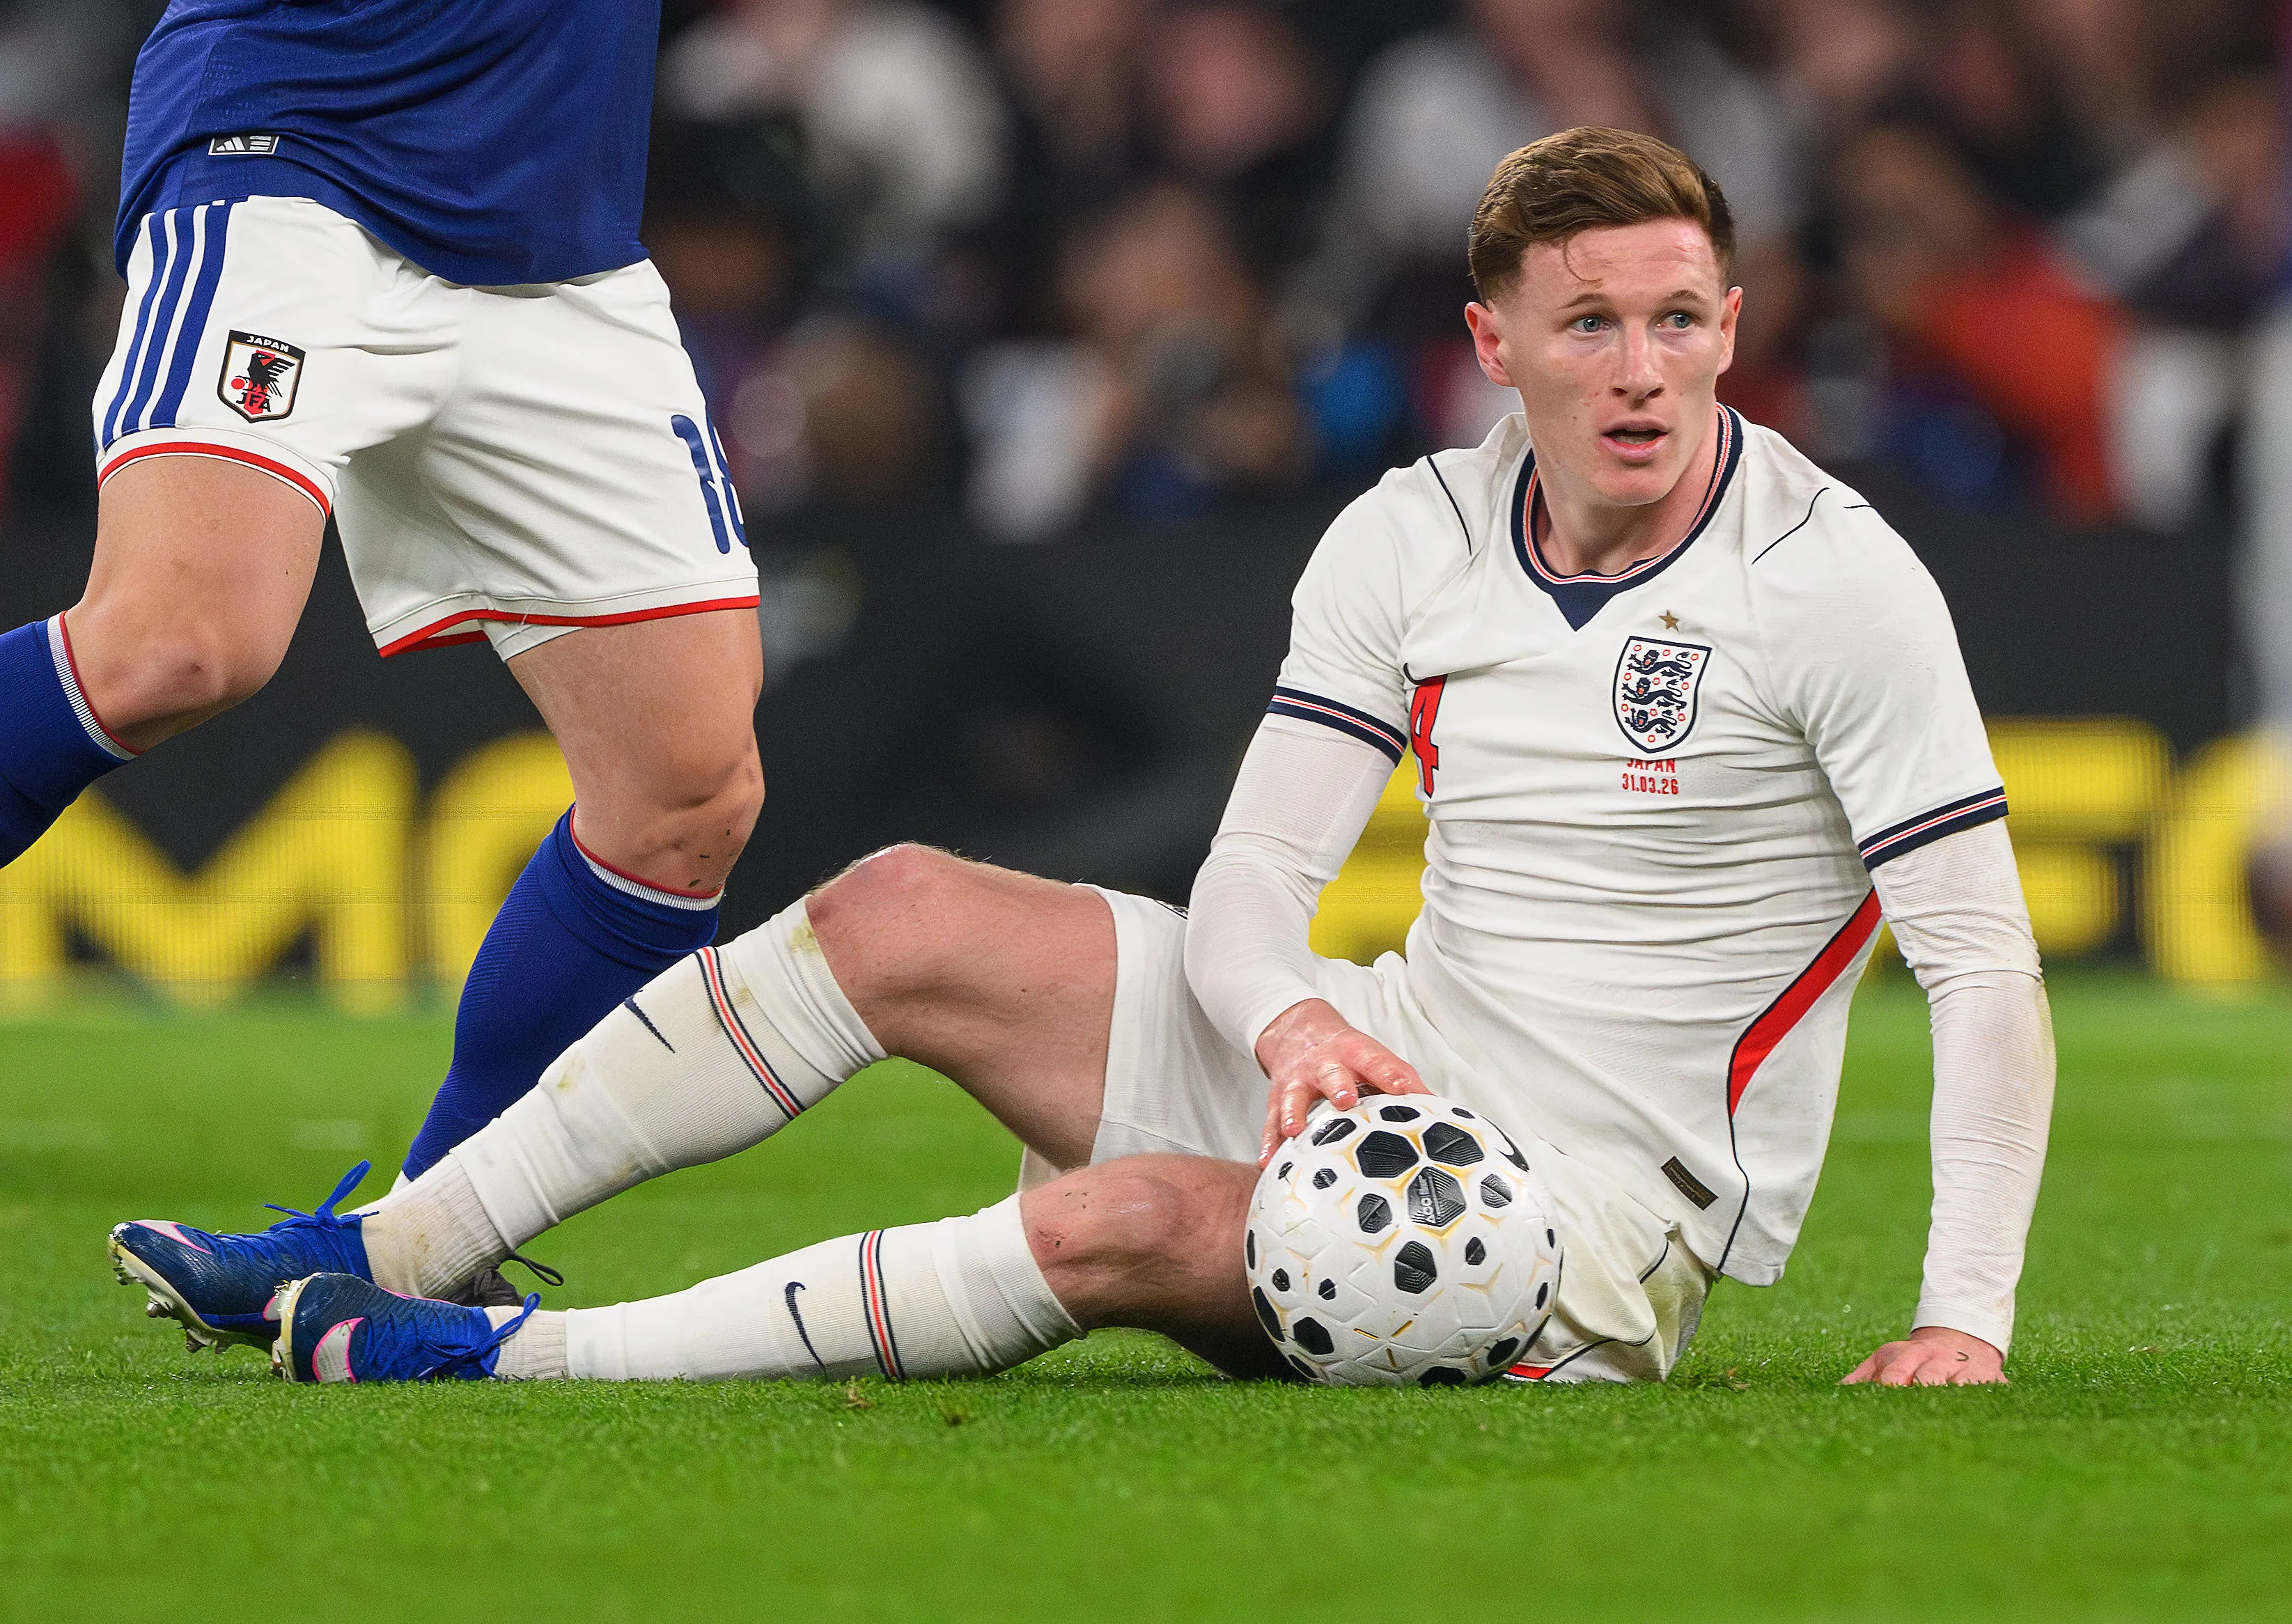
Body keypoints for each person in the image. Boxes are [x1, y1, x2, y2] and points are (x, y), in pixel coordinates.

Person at [113, 129, 2054, 1389]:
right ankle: (387, 1241)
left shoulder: (1832, 581)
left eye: (1681, 321)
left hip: (1579, 1219)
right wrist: (1290, 1025)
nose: (1644, 369)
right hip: (1376, 1055)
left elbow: (1980, 962)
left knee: (1119, 1227)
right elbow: (1257, 885)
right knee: (892, 908)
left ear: (1733, 325)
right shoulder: (1409, 532)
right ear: (1496, 343)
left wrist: (1960, 1312)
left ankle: (500, 1360)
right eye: (1594, 325)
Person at [0, 1, 767, 1251]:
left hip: (552, 223)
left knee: (686, 795)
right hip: (295, 151)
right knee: (175, 642)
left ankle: (410, 1256)